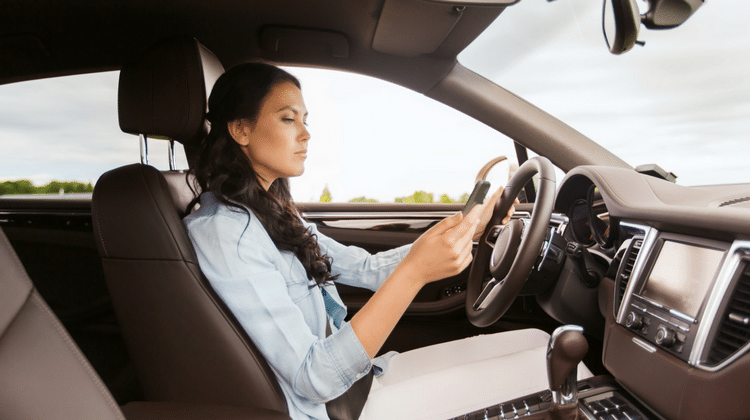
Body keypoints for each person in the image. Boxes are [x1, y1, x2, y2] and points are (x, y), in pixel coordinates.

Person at [184, 63, 534, 420]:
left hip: (358, 384)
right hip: (334, 408)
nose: (305, 134)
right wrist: (415, 273)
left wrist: (469, 228)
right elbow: (314, 378)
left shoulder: (272, 211)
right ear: (242, 130)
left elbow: (368, 269)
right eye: (289, 119)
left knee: (536, 341)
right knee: (548, 369)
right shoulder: (227, 234)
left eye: (306, 120)